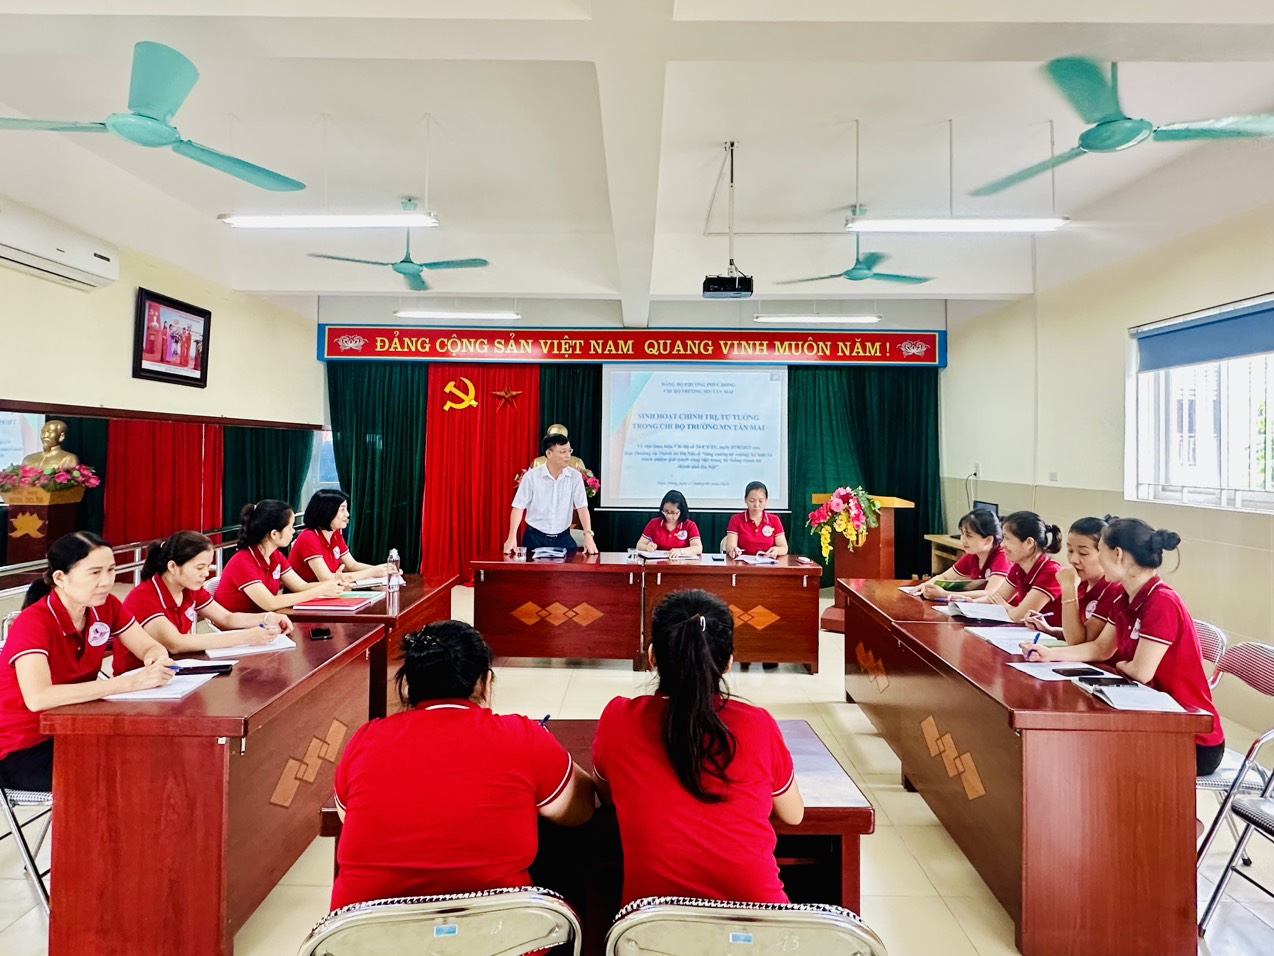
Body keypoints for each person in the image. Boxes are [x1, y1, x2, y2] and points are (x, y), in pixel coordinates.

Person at [331, 620, 595, 909]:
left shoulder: (366, 739)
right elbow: (580, 810)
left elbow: (347, 816)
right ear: (485, 683)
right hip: (501, 928)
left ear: (407, 686)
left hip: (365, 929)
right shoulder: (521, 736)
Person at [592, 589, 804, 906]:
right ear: (729, 663)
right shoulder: (758, 725)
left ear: (652, 656)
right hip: (757, 921)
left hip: (650, 926)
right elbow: (794, 814)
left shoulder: (619, 719)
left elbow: (609, 795)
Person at [1021, 518, 1224, 777]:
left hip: (1190, 735)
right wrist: (1050, 655)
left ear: (1117, 554)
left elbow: (1141, 672)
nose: (1096, 559)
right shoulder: (1124, 597)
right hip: (1145, 715)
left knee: (1088, 755)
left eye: (1099, 551)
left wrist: (1119, 664)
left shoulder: (1161, 601)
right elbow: (1099, 649)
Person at [0, 532, 175, 791]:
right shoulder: (34, 622)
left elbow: (149, 646)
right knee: (126, 771)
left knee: (158, 751)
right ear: (60, 578)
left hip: (77, 726)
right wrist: (129, 683)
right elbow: (38, 698)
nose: (106, 581)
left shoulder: (106, 607)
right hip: (25, 748)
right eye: (94, 573)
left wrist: (155, 659)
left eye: (111, 570)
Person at [115, 532, 294, 674]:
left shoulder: (190, 589)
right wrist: (246, 637)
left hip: (177, 670)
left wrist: (268, 617)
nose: (206, 573)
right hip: (140, 677)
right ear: (172, 567)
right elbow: (176, 643)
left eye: (208, 567)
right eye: (199, 568)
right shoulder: (144, 597)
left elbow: (227, 618)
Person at [214, 500, 344, 614]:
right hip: (238, 628)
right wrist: (320, 591)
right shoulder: (243, 562)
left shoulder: (275, 556)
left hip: (262, 621)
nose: (293, 531)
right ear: (274, 534)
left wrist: (332, 583)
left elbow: (300, 586)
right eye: (290, 528)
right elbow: (270, 603)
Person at [1023, 516, 1122, 645]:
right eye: (1070, 550)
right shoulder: (1082, 582)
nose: (1072, 560)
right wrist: (1050, 630)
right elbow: (1076, 633)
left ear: (1104, 553)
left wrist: (1069, 589)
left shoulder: (1113, 590)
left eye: (1083, 553)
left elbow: (1079, 641)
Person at [502, 433, 598, 556]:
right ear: (549, 453)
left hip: (563, 537)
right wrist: (512, 536)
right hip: (535, 538)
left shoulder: (575, 477)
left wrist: (588, 534)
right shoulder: (531, 477)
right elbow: (518, 507)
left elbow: (582, 507)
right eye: (563, 452)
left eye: (569, 451)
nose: (568, 455)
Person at [968, 510, 1063, 624]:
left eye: (1007, 538)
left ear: (1029, 543)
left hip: (1047, 634)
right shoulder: (1019, 566)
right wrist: (968, 602)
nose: (1002, 544)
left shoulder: (1051, 572)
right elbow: (996, 599)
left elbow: (1019, 616)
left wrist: (1005, 607)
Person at [289, 490, 388, 584]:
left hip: (326, 591)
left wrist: (382, 569)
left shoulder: (335, 534)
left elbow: (352, 565)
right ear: (327, 511)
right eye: (342, 509)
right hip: (306, 593)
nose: (347, 514)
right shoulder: (309, 537)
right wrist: (372, 572)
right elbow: (326, 578)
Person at [919, 508, 1011, 600]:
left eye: (969, 536)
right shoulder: (973, 554)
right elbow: (944, 576)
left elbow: (990, 593)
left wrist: (944, 594)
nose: (962, 539)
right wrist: (926, 585)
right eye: (962, 534)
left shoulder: (1002, 557)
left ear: (988, 540)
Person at [724, 481, 788, 559]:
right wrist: (733, 549)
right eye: (752, 501)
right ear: (745, 500)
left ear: (766, 500)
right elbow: (730, 547)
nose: (756, 505)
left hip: (767, 563)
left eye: (761, 501)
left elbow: (784, 548)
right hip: (742, 564)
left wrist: (777, 550)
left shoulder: (774, 520)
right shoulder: (736, 519)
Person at [635, 490, 703, 558]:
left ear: (681, 511)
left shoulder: (690, 525)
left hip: (681, 563)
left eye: (673, 513)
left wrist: (681, 551)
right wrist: (647, 547)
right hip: (658, 563)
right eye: (666, 511)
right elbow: (639, 544)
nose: (669, 516)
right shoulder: (654, 523)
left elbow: (698, 548)